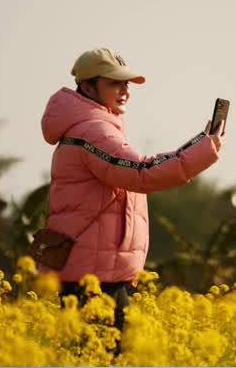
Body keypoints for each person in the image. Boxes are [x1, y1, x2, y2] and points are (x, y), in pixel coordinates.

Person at [39, 47, 225, 333]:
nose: (124, 90)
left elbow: (141, 166)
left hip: (104, 276)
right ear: (88, 86)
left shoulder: (96, 128)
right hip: (93, 280)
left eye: (126, 83)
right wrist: (204, 150)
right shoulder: (93, 131)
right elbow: (142, 173)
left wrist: (201, 142)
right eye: (114, 83)